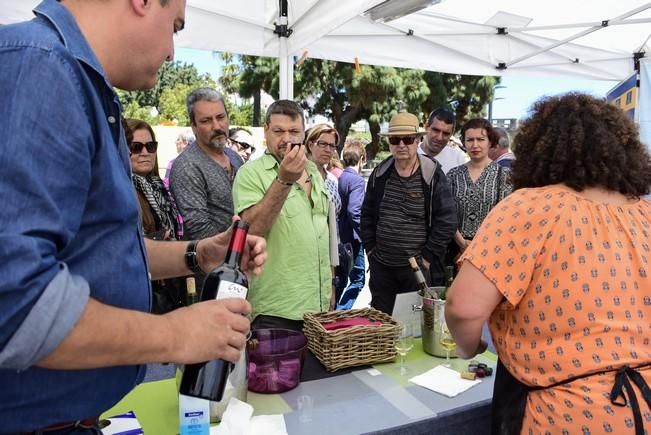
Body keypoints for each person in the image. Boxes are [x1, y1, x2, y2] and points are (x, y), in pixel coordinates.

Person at [0, 1, 266, 432]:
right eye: (175, 26)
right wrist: (175, 335)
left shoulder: (79, 85)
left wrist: (199, 254)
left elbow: (102, 251)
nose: (172, 52)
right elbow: (15, 299)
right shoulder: (41, 68)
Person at [445, 93, 651, 435]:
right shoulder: (645, 214)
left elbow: (463, 308)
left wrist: (473, 347)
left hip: (568, 414)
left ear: (540, 148)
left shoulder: (530, 206)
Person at [233, 100, 333, 331]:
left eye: (294, 131)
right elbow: (251, 230)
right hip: (275, 310)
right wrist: (284, 179)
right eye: (278, 131)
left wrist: (329, 285)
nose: (287, 139)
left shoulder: (312, 171)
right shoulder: (250, 173)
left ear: (303, 134)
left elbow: (321, 232)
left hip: (318, 305)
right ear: (266, 131)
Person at [361, 112, 457, 314]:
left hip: (415, 271)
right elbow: (367, 215)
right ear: (390, 143)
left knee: (413, 327)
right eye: (396, 140)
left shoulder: (432, 173)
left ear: (417, 140)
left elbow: (447, 220)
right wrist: (371, 251)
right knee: (381, 324)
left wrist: (427, 259)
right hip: (382, 268)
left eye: (408, 139)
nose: (401, 145)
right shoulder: (380, 173)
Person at [126, 118, 187, 314]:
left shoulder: (160, 188)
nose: (145, 153)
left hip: (172, 287)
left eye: (150, 146)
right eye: (136, 147)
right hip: (143, 293)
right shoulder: (123, 191)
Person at [169, 87, 244, 242]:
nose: (217, 126)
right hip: (214, 260)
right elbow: (199, 229)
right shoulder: (187, 166)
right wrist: (237, 250)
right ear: (193, 126)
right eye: (206, 121)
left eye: (220, 117)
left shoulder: (234, 157)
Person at [446, 118, 512, 259]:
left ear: (490, 142)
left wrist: (479, 245)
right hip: (454, 250)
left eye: (481, 139)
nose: (475, 145)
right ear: (464, 143)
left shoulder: (504, 175)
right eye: (470, 140)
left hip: (491, 251)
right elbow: (445, 213)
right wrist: (461, 242)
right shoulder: (453, 175)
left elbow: (505, 218)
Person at [336, 139, 367, 309]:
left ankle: (335, 311)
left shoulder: (341, 177)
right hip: (353, 238)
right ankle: (340, 312)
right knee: (357, 279)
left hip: (341, 236)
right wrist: (366, 234)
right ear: (362, 158)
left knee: (342, 278)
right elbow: (354, 210)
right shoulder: (357, 180)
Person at [418, 107, 469, 174]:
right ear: (427, 126)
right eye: (436, 130)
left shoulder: (458, 159)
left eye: (446, 133)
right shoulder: (409, 154)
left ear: (451, 134)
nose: (439, 138)